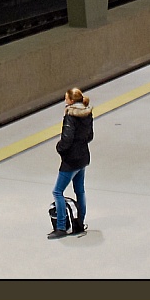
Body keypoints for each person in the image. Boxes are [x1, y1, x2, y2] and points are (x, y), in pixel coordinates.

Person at [49, 87, 94, 239]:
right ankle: (79, 222)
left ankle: (61, 227)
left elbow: (66, 139)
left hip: (71, 160)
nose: (64, 100)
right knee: (80, 191)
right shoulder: (87, 113)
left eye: (66, 98)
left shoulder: (70, 116)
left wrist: (60, 148)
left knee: (57, 192)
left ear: (71, 101)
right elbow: (90, 136)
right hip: (83, 157)